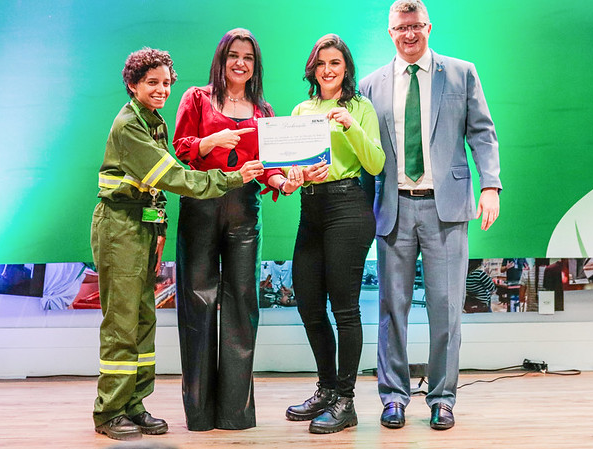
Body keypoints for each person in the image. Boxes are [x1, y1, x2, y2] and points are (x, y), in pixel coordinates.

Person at [91, 47, 264, 441]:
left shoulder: (151, 120)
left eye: (167, 82)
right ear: (133, 84)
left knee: (143, 320)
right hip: (119, 227)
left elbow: (153, 186)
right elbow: (174, 175)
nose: (162, 89)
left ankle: (134, 404)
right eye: (153, 82)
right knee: (121, 323)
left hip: (142, 226)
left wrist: (160, 225)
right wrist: (231, 178)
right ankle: (108, 411)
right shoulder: (129, 126)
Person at [359, 0, 501, 431]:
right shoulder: (370, 85)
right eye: (401, 27)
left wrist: (491, 184)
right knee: (392, 309)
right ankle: (394, 397)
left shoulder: (461, 72)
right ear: (390, 32)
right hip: (394, 207)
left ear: (429, 27)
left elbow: (482, 132)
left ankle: (442, 397)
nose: (409, 34)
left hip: (448, 207)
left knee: (445, 307)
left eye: (416, 26)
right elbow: (363, 153)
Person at [172, 28, 301, 431]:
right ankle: (199, 413)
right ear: (221, 59)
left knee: (243, 306)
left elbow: (274, 167)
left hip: (245, 210)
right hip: (201, 206)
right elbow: (180, 147)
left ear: (255, 64)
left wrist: (284, 182)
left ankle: (235, 413)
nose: (240, 63)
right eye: (233, 55)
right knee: (198, 303)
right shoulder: (196, 97)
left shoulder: (264, 111)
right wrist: (212, 141)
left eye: (247, 57)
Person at [284, 34, 385, 434]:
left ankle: (347, 400)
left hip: (348, 207)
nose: (328, 70)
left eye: (336, 64)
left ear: (347, 70)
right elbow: (289, 165)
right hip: (310, 208)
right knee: (309, 306)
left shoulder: (360, 108)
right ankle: (326, 390)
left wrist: (348, 125)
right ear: (314, 68)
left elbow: (375, 164)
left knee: (345, 310)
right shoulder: (301, 109)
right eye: (322, 63)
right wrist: (292, 175)